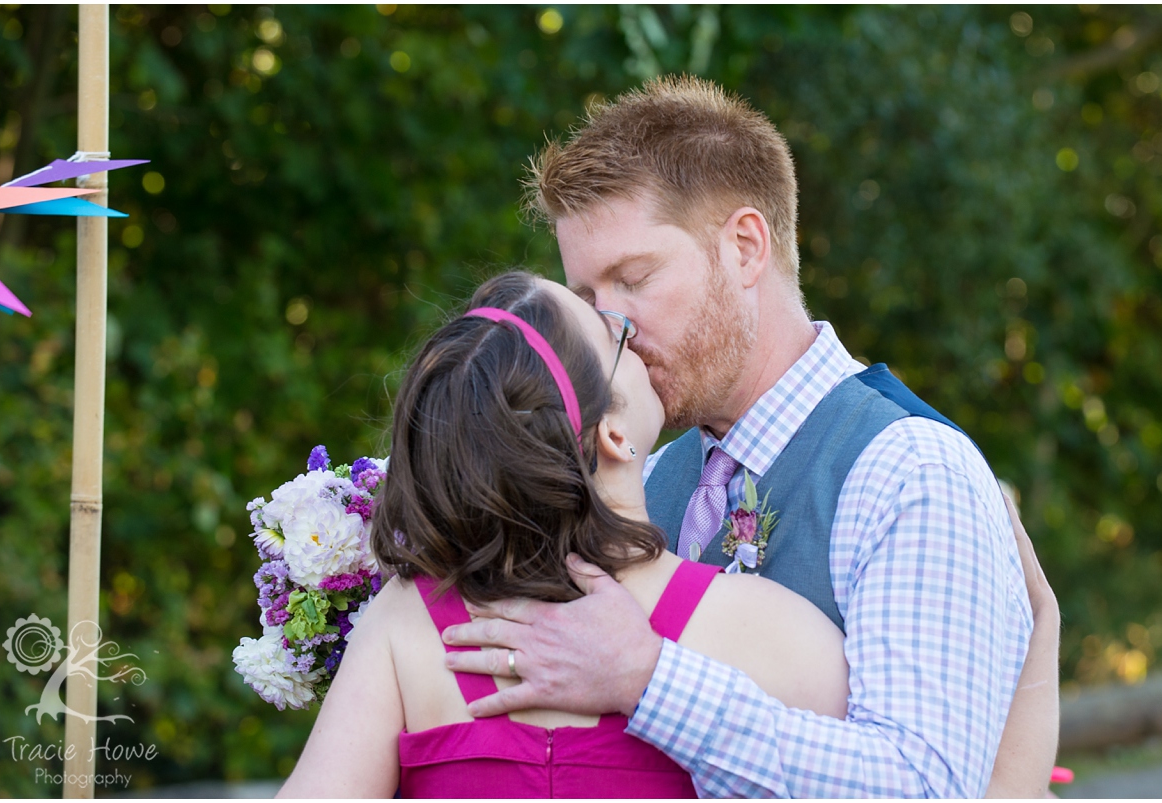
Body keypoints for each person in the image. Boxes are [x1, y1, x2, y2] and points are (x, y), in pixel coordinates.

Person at [440, 76, 1041, 797]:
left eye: (634, 278)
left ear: (746, 247)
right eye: (590, 299)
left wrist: (648, 678)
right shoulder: (640, 477)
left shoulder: (910, 469)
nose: (612, 326)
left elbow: (922, 787)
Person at [276, 271, 1058, 798]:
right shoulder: (764, 630)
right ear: (613, 435)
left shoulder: (406, 628)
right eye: (612, 333)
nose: (634, 331)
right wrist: (1038, 638)